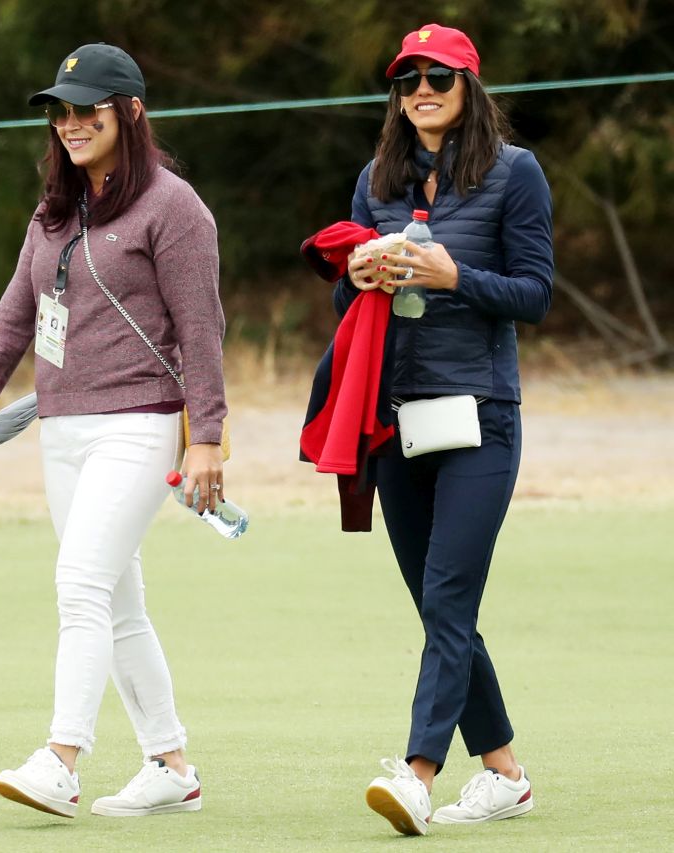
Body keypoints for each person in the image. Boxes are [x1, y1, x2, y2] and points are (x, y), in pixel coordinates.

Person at [0, 44, 226, 819]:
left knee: (80, 585)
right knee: (118, 601)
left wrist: (207, 434)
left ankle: (61, 759)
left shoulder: (175, 208)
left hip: (139, 426)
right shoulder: (56, 209)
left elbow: (203, 332)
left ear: (129, 114)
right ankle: (171, 764)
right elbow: (15, 314)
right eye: (61, 112)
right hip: (62, 429)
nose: (70, 125)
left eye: (87, 111)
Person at [337, 24, 553, 836]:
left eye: (438, 76)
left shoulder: (515, 172)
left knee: (448, 593)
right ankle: (504, 773)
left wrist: (454, 275)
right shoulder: (376, 181)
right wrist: (358, 275)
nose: (421, 90)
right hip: (396, 419)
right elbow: (344, 306)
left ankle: (419, 772)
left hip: (481, 415)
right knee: (438, 607)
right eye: (408, 79)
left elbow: (535, 293)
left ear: (469, 85)